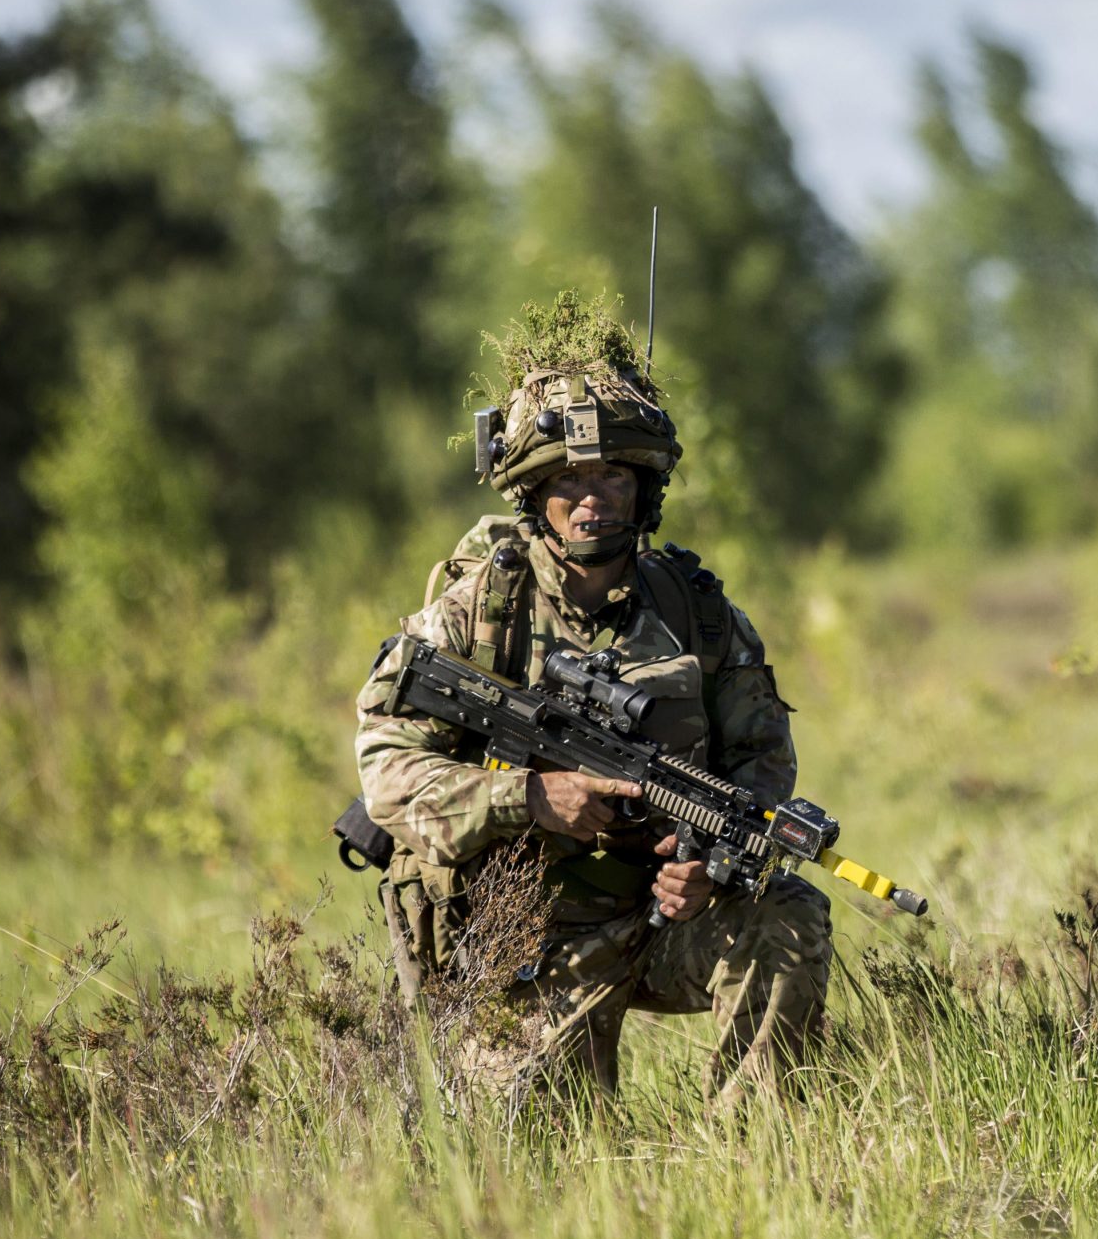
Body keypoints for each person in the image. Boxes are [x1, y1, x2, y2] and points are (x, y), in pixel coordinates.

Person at [351, 294, 825, 1105]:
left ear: (644, 488)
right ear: (533, 492)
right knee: (538, 1148)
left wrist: (708, 868)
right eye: (568, 478)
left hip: (666, 918)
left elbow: (760, 763)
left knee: (787, 911)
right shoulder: (475, 617)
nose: (592, 496)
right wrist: (531, 797)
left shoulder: (698, 614)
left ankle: (756, 1153)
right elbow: (386, 773)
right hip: (521, 933)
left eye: (612, 474)